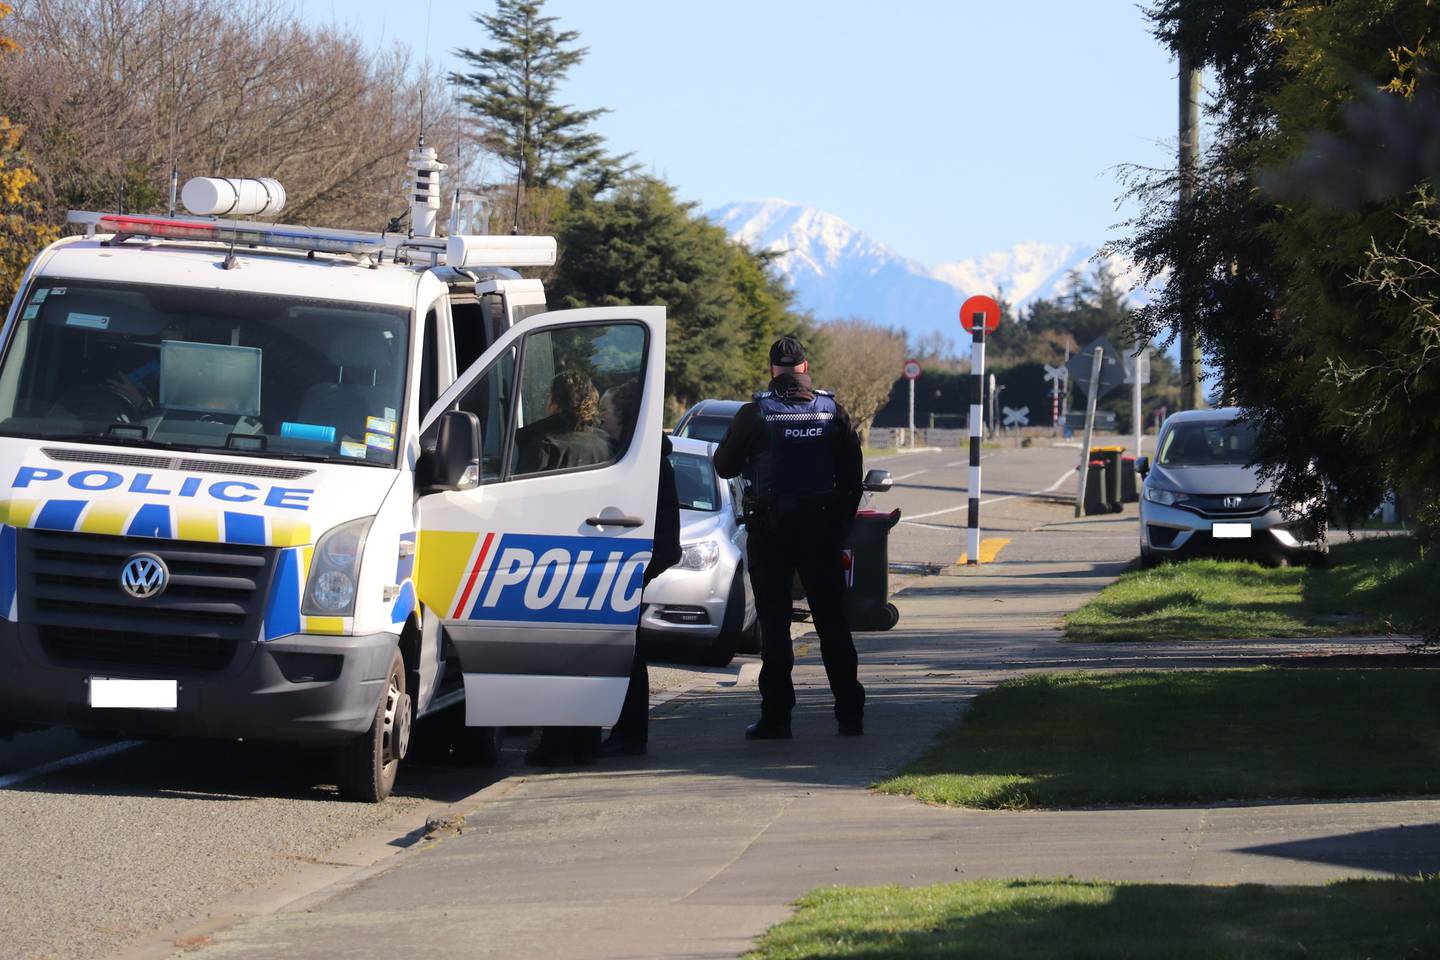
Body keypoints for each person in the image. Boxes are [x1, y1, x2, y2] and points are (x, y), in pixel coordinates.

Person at [714, 335, 865, 740]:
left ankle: (777, 717)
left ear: (772, 371)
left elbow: (723, 466)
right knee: (833, 624)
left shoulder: (756, 413)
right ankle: (850, 714)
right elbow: (853, 477)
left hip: (771, 532)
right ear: (804, 368)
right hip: (820, 533)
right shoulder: (833, 412)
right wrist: (838, 525)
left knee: (776, 628)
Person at [601, 430, 682, 757]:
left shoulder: (643, 459)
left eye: (609, 417)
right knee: (626, 643)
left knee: (627, 646)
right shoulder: (654, 456)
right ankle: (626, 731)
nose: (605, 421)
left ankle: (629, 734)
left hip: (641, 554)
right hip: (653, 552)